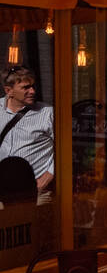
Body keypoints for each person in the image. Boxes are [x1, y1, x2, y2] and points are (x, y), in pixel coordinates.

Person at [0, 67, 54, 200]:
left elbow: (66, 147)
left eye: (33, 86)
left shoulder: (47, 113)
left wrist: (50, 174)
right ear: (8, 91)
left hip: (36, 190)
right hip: (3, 190)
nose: (32, 91)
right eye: (26, 87)